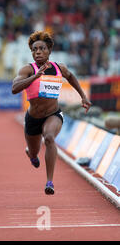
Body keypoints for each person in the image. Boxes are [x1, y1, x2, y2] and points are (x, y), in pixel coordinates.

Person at [12, 30, 91, 195]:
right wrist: (34, 77)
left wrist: (83, 96)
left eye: (41, 49)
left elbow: (71, 77)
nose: (38, 52)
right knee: (34, 152)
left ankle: (49, 182)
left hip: (53, 114)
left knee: (49, 138)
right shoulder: (28, 70)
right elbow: (14, 88)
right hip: (33, 118)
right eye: (34, 49)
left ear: (49, 51)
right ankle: (31, 154)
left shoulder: (58, 68)